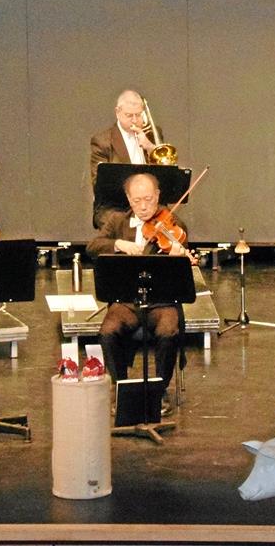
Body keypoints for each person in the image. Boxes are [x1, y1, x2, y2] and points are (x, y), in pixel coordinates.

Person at [87, 172, 188, 415]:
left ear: (158, 196)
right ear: (128, 199)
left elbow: (182, 258)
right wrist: (118, 244)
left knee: (168, 331)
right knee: (107, 332)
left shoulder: (174, 223)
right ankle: (120, 386)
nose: (143, 207)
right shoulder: (116, 221)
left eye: (149, 200)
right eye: (137, 201)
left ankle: (160, 390)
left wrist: (178, 256)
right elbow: (93, 246)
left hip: (162, 301)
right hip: (127, 300)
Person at [89, 90, 161, 228]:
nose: (134, 120)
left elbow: (164, 173)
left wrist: (150, 147)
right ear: (118, 112)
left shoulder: (152, 134)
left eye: (138, 115)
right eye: (129, 115)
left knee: (172, 224)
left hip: (148, 204)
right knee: (122, 226)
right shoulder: (102, 141)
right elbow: (99, 184)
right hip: (116, 206)